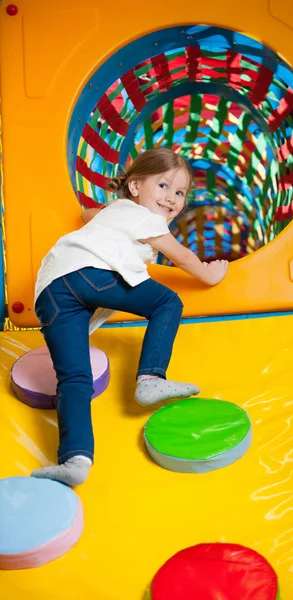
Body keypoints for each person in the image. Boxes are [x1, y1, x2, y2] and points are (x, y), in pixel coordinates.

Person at [31, 147, 228, 486]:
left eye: (179, 193)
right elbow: (181, 257)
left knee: (74, 379)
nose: (171, 199)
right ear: (135, 187)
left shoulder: (115, 212)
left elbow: (86, 216)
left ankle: (75, 459)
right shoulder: (144, 218)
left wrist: (106, 210)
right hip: (89, 273)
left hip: (50, 290)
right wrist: (212, 274)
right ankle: (150, 379)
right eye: (163, 186)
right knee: (167, 303)